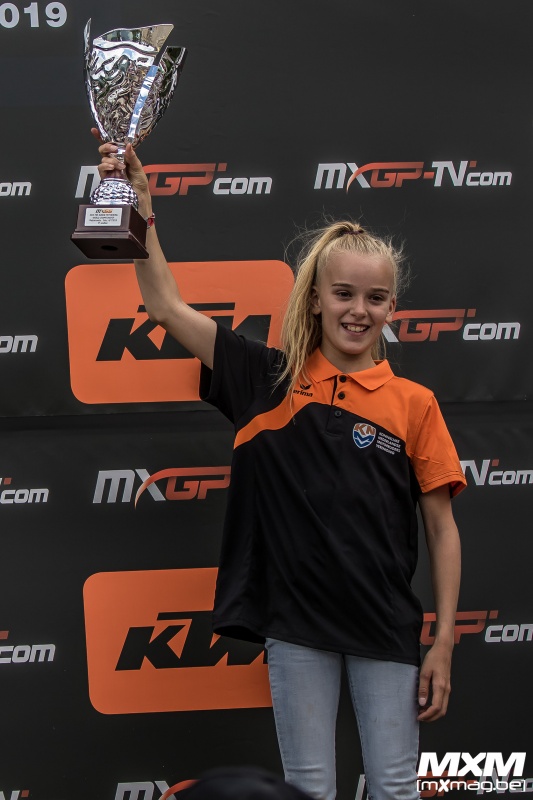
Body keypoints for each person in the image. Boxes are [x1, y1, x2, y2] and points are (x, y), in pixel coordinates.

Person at [95, 132, 466, 800]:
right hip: (295, 626)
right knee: (308, 788)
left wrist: (440, 643)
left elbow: (441, 529)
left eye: (375, 298)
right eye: (343, 293)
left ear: (391, 307)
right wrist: (142, 207)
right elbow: (165, 308)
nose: (358, 310)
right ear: (316, 298)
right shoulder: (266, 379)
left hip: (385, 624)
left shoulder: (415, 403)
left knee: (393, 787)